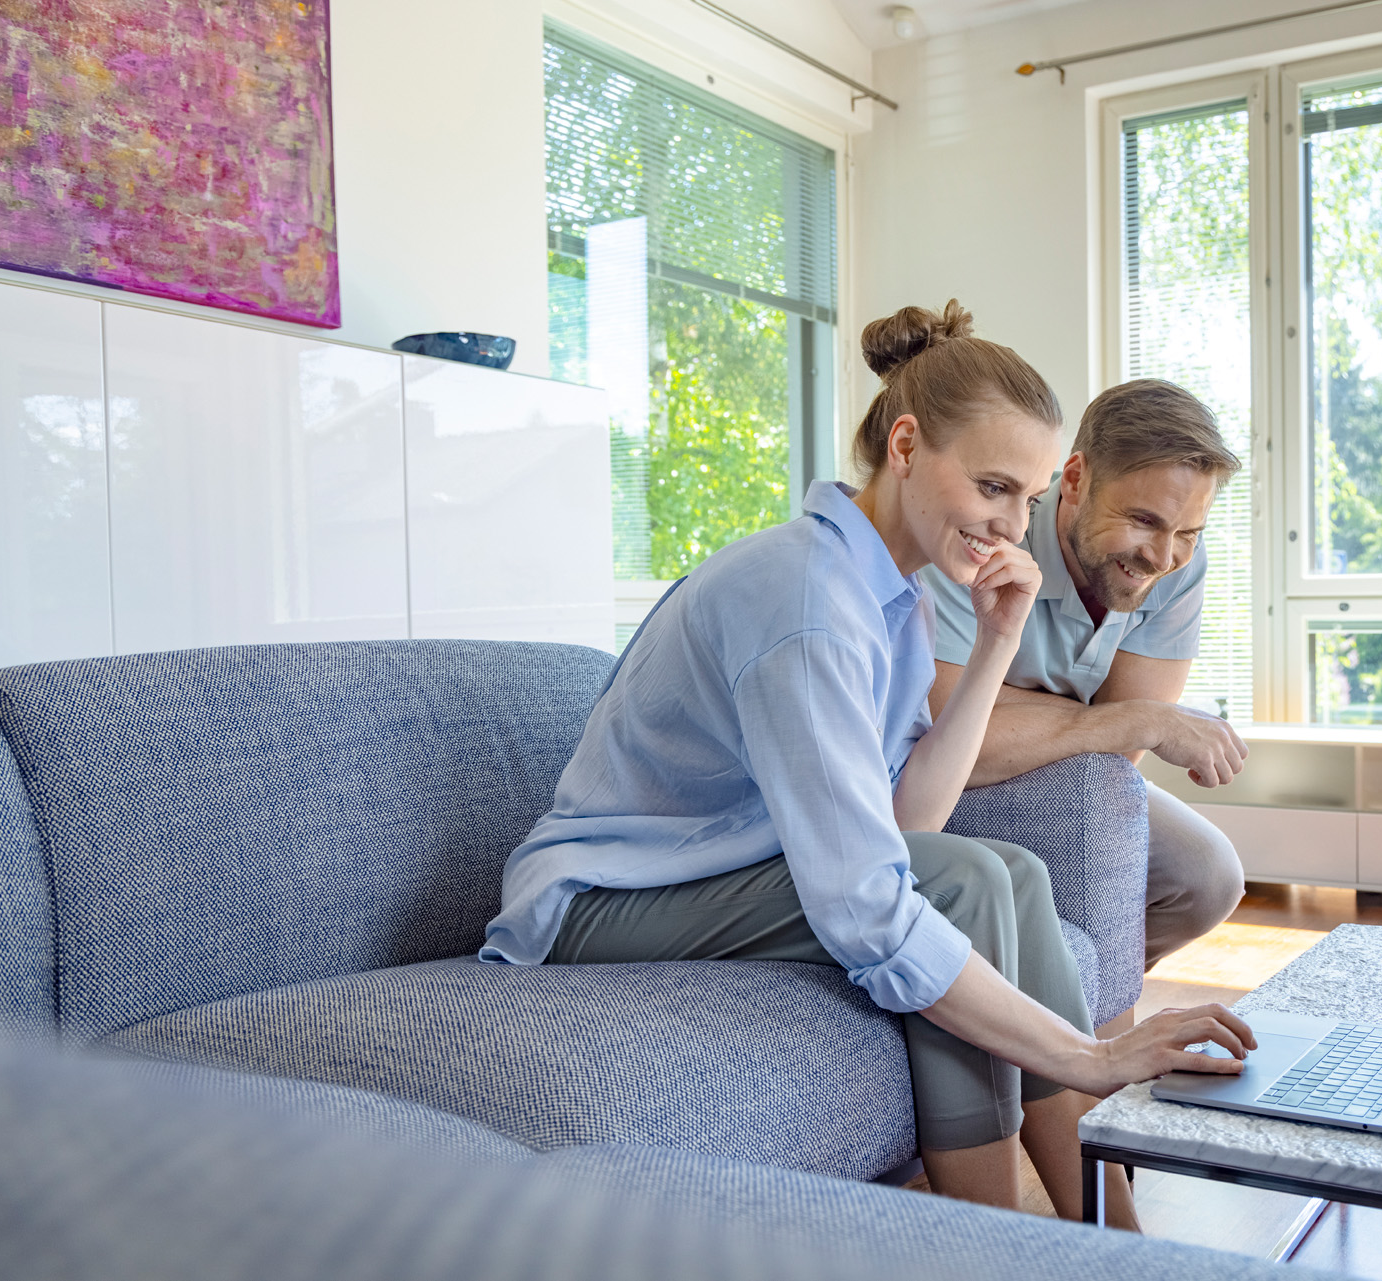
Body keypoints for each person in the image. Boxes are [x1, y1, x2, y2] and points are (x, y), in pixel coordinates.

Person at [480, 303, 1254, 1229]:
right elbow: (867, 903)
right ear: (905, 445)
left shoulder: (893, 595)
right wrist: (1089, 1056)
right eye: (994, 487)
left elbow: (910, 820)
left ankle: (1113, 1241)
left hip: (720, 868)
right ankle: (991, 1249)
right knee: (968, 880)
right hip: (597, 902)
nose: (1013, 526)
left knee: (1013, 871)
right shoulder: (806, 595)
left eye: (1029, 498)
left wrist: (1002, 641)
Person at [920, 379, 1250, 1043]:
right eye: (1145, 521)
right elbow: (951, 730)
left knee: (1207, 876)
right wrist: (1126, 720)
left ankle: (1062, 1009)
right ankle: (1061, 1045)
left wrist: (1032, 713)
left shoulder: (1176, 561)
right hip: (935, 779)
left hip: (1071, 777)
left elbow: (1116, 755)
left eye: (1188, 530)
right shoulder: (982, 539)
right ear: (1074, 478)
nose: (1162, 557)